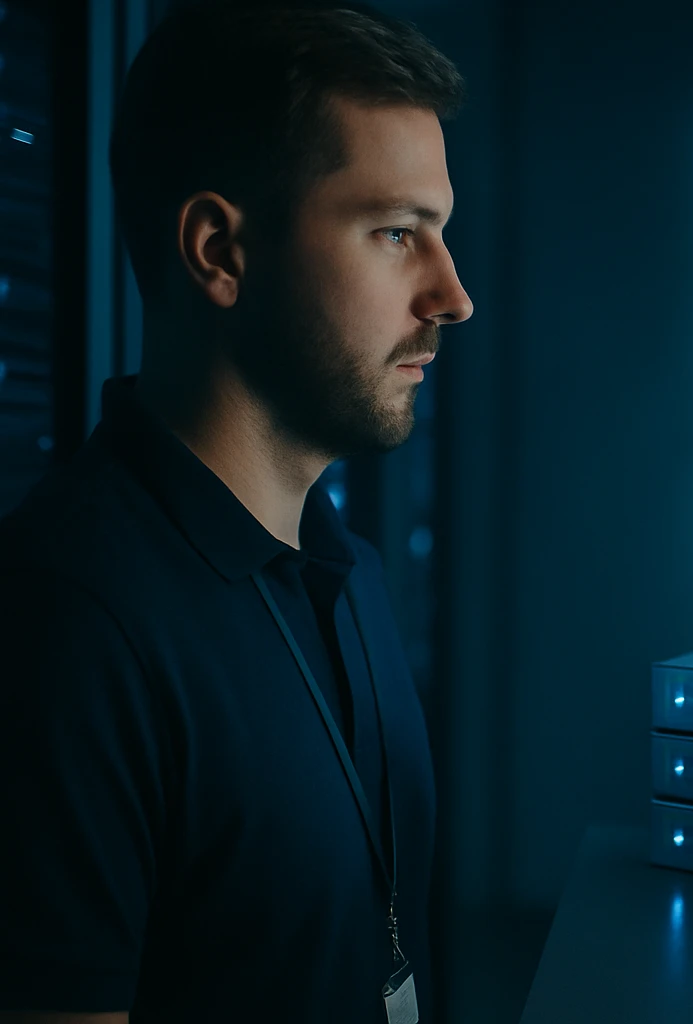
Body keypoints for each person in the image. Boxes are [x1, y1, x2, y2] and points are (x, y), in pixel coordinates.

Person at [0, 1, 474, 1020]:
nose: (451, 295)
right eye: (397, 233)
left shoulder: (349, 570)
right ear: (219, 250)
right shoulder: (66, 627)